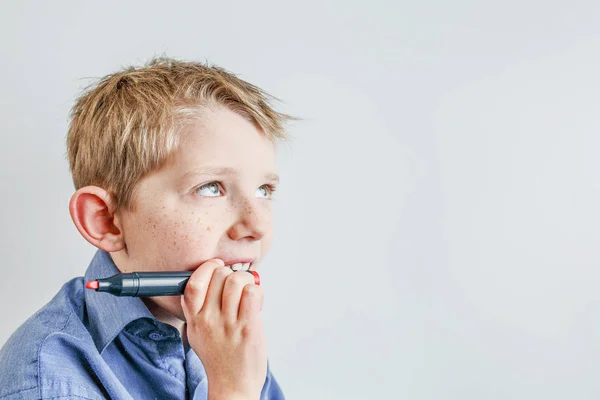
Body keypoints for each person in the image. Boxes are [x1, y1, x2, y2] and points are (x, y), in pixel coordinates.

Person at [0, 57, 295, 399]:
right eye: (211, 187)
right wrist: (233, 389)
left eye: (264, 191)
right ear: (107, 221)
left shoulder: (224, 338)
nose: (256, 226)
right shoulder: (48, 382)